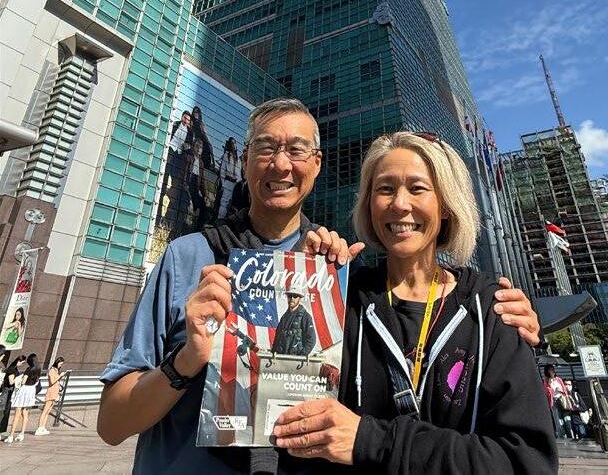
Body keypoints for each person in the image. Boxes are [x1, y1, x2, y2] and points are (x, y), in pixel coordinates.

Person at [97, 99, 541, 474]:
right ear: (246, 158)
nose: (281, 164)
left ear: (317, 164)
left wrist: (501, 315)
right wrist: (186, 361)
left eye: (296, 149)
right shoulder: (186, 258)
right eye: (266, 148)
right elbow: (112, 426)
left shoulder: (338, 277)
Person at [272, 131, 558, 473]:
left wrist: (369, 441)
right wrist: (303, 281)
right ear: (369, 205)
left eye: (417, 188)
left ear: (446, 205)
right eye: (385, 189)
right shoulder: (344, 303)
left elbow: (526, 461)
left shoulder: (492, 311)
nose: (399, 204)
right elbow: (285, 427)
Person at [5, 352, 40, 444]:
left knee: (17, 413)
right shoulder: (38, 369)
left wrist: (21, 378)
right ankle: (22, 434)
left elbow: (23, 382)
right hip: (31, 391)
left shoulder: (29, 369)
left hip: (24, 391)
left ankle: (11, 436)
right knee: (25, 413)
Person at [272, 290, 316, 357]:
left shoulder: (305, 317)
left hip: (296, 359)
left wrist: (301, 356)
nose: (292, 298)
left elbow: (311, 340)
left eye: (295, 296)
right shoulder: (284, 317)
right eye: (290, 296)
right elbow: (277, 337)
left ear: (299, 299)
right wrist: (273, 352)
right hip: (281, 357)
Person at [35, 356, 66, 436]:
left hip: (55, 392)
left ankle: (43, 427)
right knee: (45, 410)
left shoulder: (56, 370)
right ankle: (39, 427)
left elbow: (56, 381)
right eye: (60, 364)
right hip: (51, 392)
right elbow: (52, 381)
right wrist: (60, 376)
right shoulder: (52, 370)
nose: (60, 365)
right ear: (57, 362)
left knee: (48, 411)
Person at [543, 364, 573, 439]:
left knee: (566, 418)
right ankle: (562, 436)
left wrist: (560, 391)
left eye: (552, 370)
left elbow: (564, 390)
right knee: (558, 419)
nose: (552, 371)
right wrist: (550, 385)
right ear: (547, 371)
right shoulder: (546, 381)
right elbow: (546, 393)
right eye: (550, 370)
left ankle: (570, 435)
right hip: (554, 401)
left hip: (562, 399)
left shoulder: (558, 379)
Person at [0, 354, 26, 439]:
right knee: (3, 411)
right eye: (22, 362)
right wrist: (18, 378)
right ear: (18, 361)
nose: (22, 364)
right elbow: (11, 382)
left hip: (9, 392)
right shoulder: (12, 370)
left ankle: (1, 431)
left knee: (5, 412)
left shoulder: (14, 369)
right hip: (7, 392)